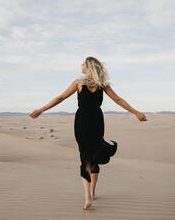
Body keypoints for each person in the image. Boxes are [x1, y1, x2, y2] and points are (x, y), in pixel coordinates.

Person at [29, 56, 147, 211]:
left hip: (84, 121)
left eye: (83, 63)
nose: (81, 65)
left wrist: (41, 110)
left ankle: (88, 197)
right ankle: (90, 194)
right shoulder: (98, 85)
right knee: (91, 154)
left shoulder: (84, 83)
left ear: (89, 67)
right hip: (94, 121)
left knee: (86, 156)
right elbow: (117, 99)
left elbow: (60, 98)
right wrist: (136, 112)